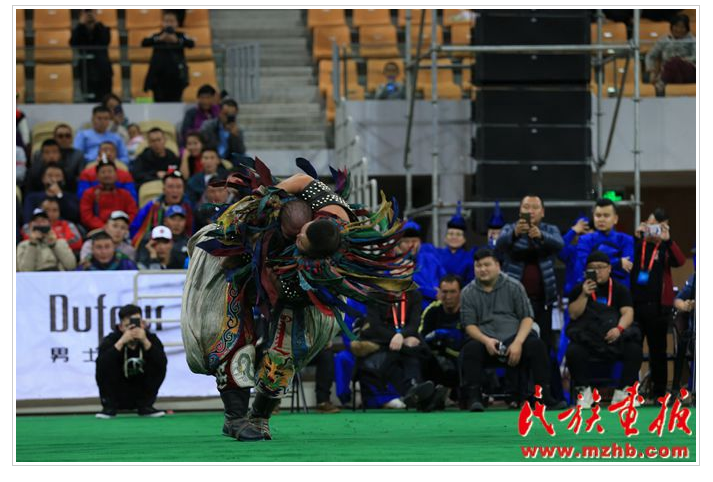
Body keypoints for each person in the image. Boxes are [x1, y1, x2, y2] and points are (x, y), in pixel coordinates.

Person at [182, 162, 414, 441]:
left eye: (301, 240)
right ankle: (235, 418)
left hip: (295, 289)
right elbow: (303, 179)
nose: (300, 233)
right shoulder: (326, 206)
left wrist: (279, 281)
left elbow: (295, 293)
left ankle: (259, 417)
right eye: (301, 230)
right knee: (226, 328)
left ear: (313, 255)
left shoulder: (323, 271)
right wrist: (268, 195)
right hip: (241, 249)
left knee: (287, 351)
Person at [459, 248, 565, 411]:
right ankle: (474, 398)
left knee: (537, 346)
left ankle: (544, 397)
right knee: (470, 349)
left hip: (515, 338)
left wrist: (518, 342)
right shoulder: (467, 292)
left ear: (498, 266)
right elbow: (469, 325)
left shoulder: (514, 286)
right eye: (478, 266)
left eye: (487, 265)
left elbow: (527, 317)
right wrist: (486, 340)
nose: (482, 269)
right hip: (486, 341)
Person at [565, 251, 642, 407]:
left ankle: (624, 392)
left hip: (614, 335)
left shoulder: (620, 289)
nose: (597, 271)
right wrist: (584, 295)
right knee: (573, 351)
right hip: (589, 337)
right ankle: (584, 392)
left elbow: (628, 313)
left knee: (634, 349)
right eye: (592, 268)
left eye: (601, 267)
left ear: (609, 269)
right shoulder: (579, 289)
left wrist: (619, 329)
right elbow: (573, 314)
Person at [496, 195, 564, 353]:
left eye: (535, 207)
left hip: (543, 299)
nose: (530, 211)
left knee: (544, 344)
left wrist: (541, 236)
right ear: (520, 211)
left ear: (543, 212)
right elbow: (499, 245)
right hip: (514, 301)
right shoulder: (509, 228)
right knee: (514, 341)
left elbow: (560, 244)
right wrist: (515, 234)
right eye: (526, 207)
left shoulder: (550, 229)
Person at [630, 209, 686, 401]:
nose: (651, 228)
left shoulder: (664, 247)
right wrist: (637, 238)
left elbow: (680, 261)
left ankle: (659, 393)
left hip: (658, 307)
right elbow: (630, 262)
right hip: (636, 306)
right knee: (633, 348)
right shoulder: (639, 244)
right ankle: (631, 391)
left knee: (658, 351)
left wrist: (668, 240)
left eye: (655, 225)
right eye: (649, 224)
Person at [95, 304, 167, 418]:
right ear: (120, 327)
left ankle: (146, 406)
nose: (133, 329)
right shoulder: (111, 340)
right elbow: (102, 365)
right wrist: (121, 342)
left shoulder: (151, 339)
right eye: (128, 326)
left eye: (137, 324)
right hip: (117, 392)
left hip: (141, 391)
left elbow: (162, 363)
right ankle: (109, 407)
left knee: (158, 364)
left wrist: (145, 341)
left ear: (143, 324)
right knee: (103, 364)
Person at [420, 274, 465, 405]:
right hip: (436, 359)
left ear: (461, 293)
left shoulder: (467, 311)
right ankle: (422, 393)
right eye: (444, 292)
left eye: (453, 292)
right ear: (439, 293)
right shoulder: (432, 310)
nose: (448, 296)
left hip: (461, 358)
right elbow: (422, 337)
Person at [573, 198, 634, 288]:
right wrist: (618, 263)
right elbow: (585, 265)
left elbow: (626, 268)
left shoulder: (626, 239)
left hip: (619, 290)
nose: (601, 219)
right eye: (598, 215)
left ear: (615, 219)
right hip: (592, 289)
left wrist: (596, 266)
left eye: (606, 216)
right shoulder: (584, 240)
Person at [130, 170, 194, 246]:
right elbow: (136, 229)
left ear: (183, 189)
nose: (175, 190)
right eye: (170, 187)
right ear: (163, 189)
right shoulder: (153, 206)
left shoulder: (188, 208)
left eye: (179, 187)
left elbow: (192, 232)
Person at [142, 10, 195, 102]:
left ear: (177, 23)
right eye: (167, 21)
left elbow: (191, 44)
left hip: (176, 76)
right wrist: (159, 39)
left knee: (175, 101)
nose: (169, 24)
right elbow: (144, 42)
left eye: (172, 21)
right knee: (159, 102)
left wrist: (177, 41)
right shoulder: (157, 35)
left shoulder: (181, 36)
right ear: (162, 23)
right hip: (158, 77)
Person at [398, 220, 447, 309]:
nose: (411, 245)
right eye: (406, 241)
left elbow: (444, 277)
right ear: (400, 244)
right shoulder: (394, 265)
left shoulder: (431, 258)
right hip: (410, 308)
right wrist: (432, 293)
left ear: (420, 242)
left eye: (414, 241)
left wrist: (443, 291)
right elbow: (405, 286)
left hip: (437, 306)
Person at [79, 158, 138, 231]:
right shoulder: (89, 194)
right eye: (103, 172)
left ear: (116, 175)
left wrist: (120, 226)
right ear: (97, 176)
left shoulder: (125, 194)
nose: (107, 175)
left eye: (110, 171)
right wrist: (105, 227)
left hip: (123, 230)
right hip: (98, 230)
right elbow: (86, 216)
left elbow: (133, 213)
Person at [645, 14, 696, 96]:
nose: (679, 30)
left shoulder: (692, 40)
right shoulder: (664, 40)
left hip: (688, 71)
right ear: (671, 27)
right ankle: (677, 93)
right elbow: (650, 56)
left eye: (682, 27)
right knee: (672, 64)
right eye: (676, 26)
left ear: (687, 28)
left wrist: (684, 60)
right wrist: (651, 71)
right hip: (670, 71)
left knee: (675, 61)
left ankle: (661, 83)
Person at [70, 9, 112, 102]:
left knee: (105, 99)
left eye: (91, 12)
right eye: (86, 12)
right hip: (86, 70)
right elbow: (73, 43)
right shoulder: (79, 30)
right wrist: (81, 24)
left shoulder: (103, 28)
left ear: (96, 13)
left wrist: (96, 24)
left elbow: (105, 41)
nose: (89, 14)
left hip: (103, 70)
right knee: (88, 100)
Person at [436, 202, 476, 285]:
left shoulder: (469, 257)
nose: (454, 237)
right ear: (445, 238)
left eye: (458, 234)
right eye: (451, 234)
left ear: (464, 239)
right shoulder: (436, 255)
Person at [199, 98, 246, 162]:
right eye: (226, 114)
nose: (228, 117)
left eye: (231, 115)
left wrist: (235, 137)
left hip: (229, 162)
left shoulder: (238, 130)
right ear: (219, 112)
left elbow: (240, 152)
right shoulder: (208, 126)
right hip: (211, 159)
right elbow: (205, 146)